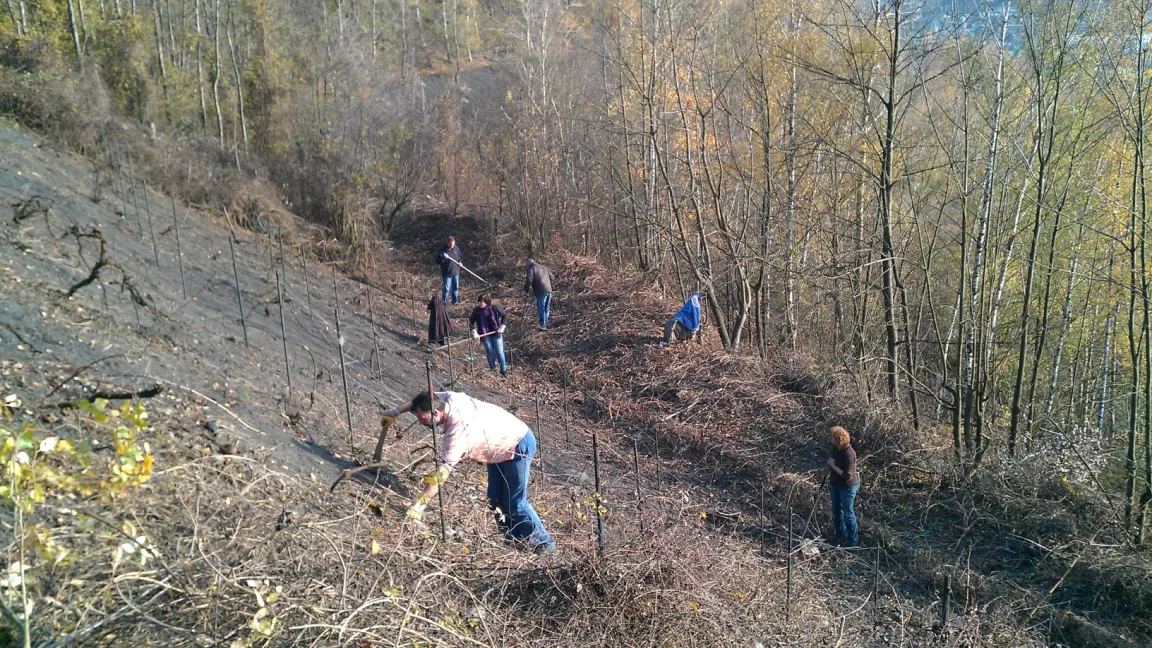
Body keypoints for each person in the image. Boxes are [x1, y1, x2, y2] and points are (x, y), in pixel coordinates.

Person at [382, 391, 556, 553]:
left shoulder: (458, 432)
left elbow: (442, 473)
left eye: (422, 418)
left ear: (436, 413)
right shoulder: (449, 398)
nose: (421, 422)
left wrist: (419, 504)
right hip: (497, 446)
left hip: (518, 442)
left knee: (516, 502)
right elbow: (420, 399)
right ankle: (515, 540)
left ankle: (545, 545)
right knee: (495, 499)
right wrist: (395, 412)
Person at [826, 425, 860, 547]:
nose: (831, 439)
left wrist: (834, 466)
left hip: (847, 487)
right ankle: (839, 534)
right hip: (835, 484)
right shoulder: (836, 449)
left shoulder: (849, 454)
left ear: (838, 439)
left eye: (833, 437)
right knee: (836, 511)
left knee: (848, 513)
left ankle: (853, 540)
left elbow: (848, 476)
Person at [468, 294, 508, 375]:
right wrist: (474, 331)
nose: (479, 303)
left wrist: (502, 327)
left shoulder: (495, 308)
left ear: (486, 302)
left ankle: (503, 370)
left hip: (496, 333)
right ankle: (492, 369)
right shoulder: (477, 311)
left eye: (481, 301)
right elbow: (470, 322)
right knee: (490, 352)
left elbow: (505, 316)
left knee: (499, 352)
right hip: (485, 335)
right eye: (479, 301)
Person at [523, 258, 554, 330]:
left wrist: (526, 290)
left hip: (540, 291)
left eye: (526, 264)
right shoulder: (544, 267)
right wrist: (550, 286)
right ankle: (545, 324)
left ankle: (543, 325)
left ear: (528, 263)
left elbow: (529, 279)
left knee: (542, 307)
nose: (526, 266)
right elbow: (552, 277)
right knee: (547, 308)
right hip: (549, 290)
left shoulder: (531, 268)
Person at [436, 236, 462, 305]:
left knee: (455, 288)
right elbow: (437, 261)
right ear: (447, 243)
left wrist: (460, 262)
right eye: (451, 244)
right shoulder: (442, 250)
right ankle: (444, 302)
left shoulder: (456, 249)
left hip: (456, 272)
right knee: (446, 289)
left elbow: (459, 257)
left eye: (453, 244)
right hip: (447, 273)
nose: (452, 246)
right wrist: (443, 258)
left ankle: (455, 302)